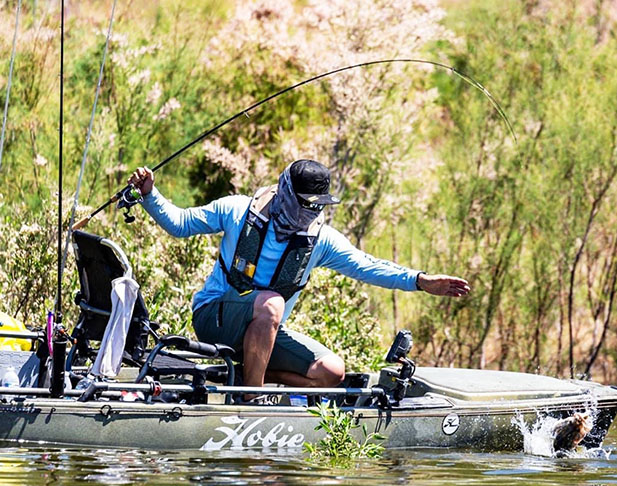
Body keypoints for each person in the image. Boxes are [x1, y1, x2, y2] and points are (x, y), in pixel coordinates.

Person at [128, 160, 470, 403]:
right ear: (287, 193)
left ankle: (242, 378)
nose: (311, 214)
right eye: (306, 205)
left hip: (263, 331)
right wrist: (149, 194)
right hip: (213, 317)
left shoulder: (321, 240)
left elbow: (366, 266)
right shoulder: (237, 211)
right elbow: (180, 223)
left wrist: (420, 281)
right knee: (271, 304)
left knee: (331, 372)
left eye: (318, 207)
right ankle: (251, 399)